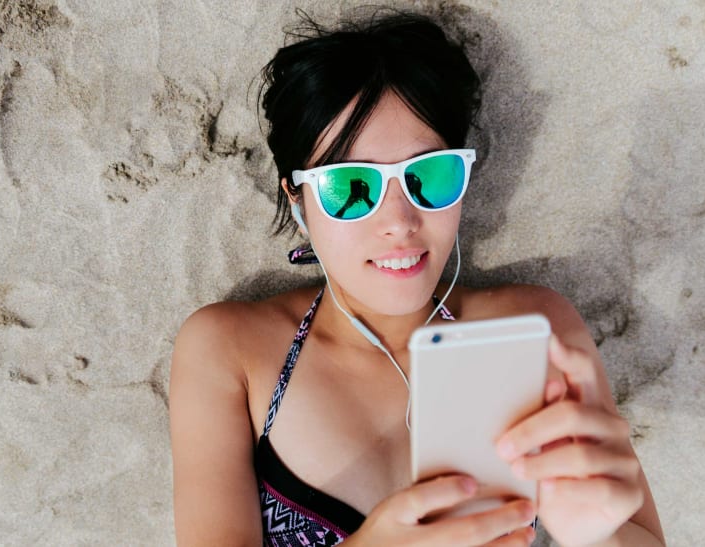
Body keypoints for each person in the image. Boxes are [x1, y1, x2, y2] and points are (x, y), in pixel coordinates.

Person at [169, 10, 664, 546]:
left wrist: (599, 534)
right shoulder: (232, 351)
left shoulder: (532, 328)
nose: (399, 223)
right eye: (350, 187)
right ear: (297, 196)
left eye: (429, 174)